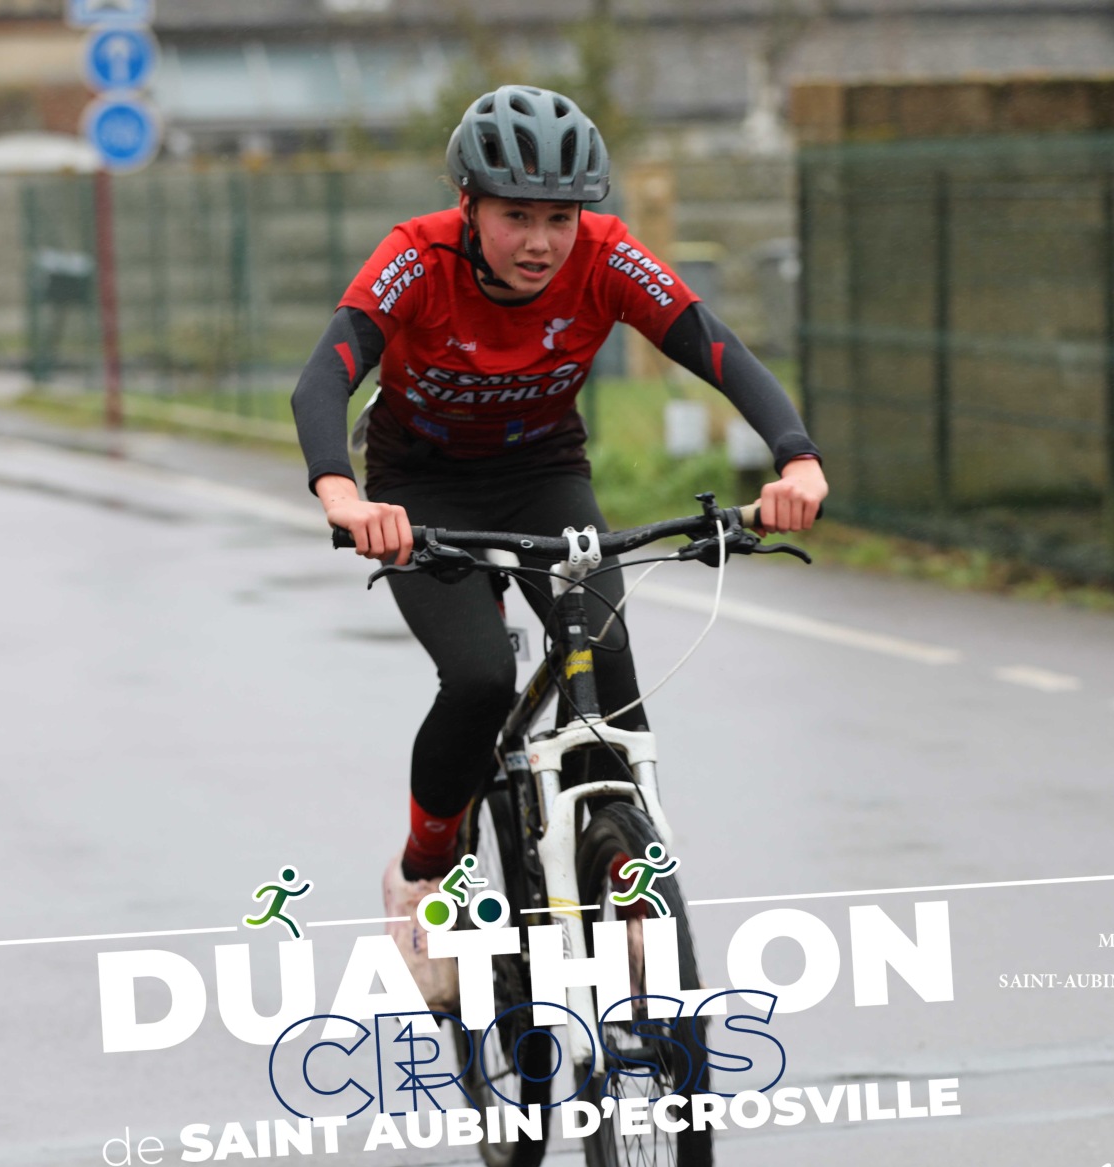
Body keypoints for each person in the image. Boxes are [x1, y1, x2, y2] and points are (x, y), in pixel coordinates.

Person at [290, 85, 828, 1007]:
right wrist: (342, 492)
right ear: (469, 206)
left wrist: (798, 459)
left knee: (604, 660)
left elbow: (719, 350)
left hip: (543, 473)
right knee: (480, 679)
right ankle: (421, 874)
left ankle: (619, 868)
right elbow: (325, 376)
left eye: (559, 218)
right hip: (422, 487)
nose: (540, 242)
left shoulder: (608, 257)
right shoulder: (417, 258)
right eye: (516, 217)